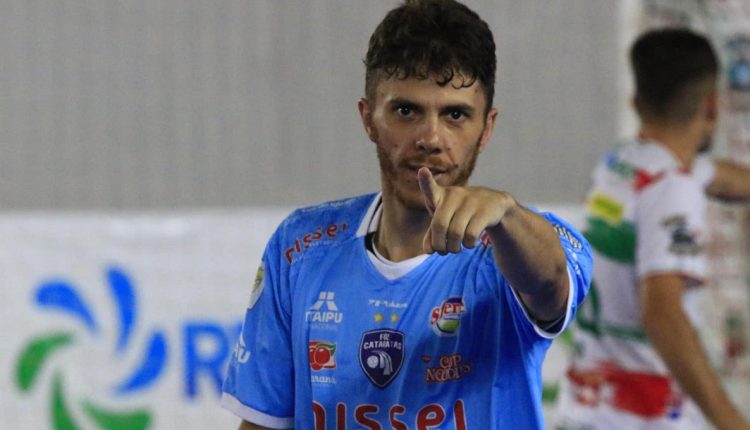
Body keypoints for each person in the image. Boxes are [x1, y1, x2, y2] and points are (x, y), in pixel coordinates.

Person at [221, 0, 592, 428]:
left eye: (455, 114)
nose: (431, 138)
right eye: (406, 111)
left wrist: (506, 215)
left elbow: (547, 283)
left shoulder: (517, 242)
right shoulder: (300, 247)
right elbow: (262, 423)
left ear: (486, 128)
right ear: (368, 119)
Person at [554, 28, 750, 430]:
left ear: (637, 103)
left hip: (587, 409)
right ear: (712, 106)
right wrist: (731, 421)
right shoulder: (673, 188)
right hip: (645, 419)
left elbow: (717, 176)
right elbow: (662, 315)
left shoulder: (622, 164)